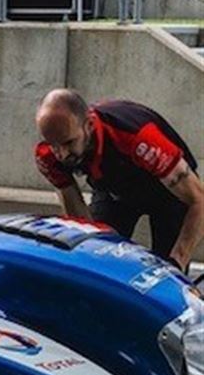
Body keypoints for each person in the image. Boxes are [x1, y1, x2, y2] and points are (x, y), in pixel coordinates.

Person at [35, 89, 204, 273]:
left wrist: (177, 261)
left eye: (69, 143)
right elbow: (76, 213)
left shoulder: (139, 139)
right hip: (115, 191)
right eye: (54, 145)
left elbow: (199, 200)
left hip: (170, 194)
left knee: (168, 273)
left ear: (89, 125)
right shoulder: (48, 155)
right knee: (94, 257)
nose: (62, 154)